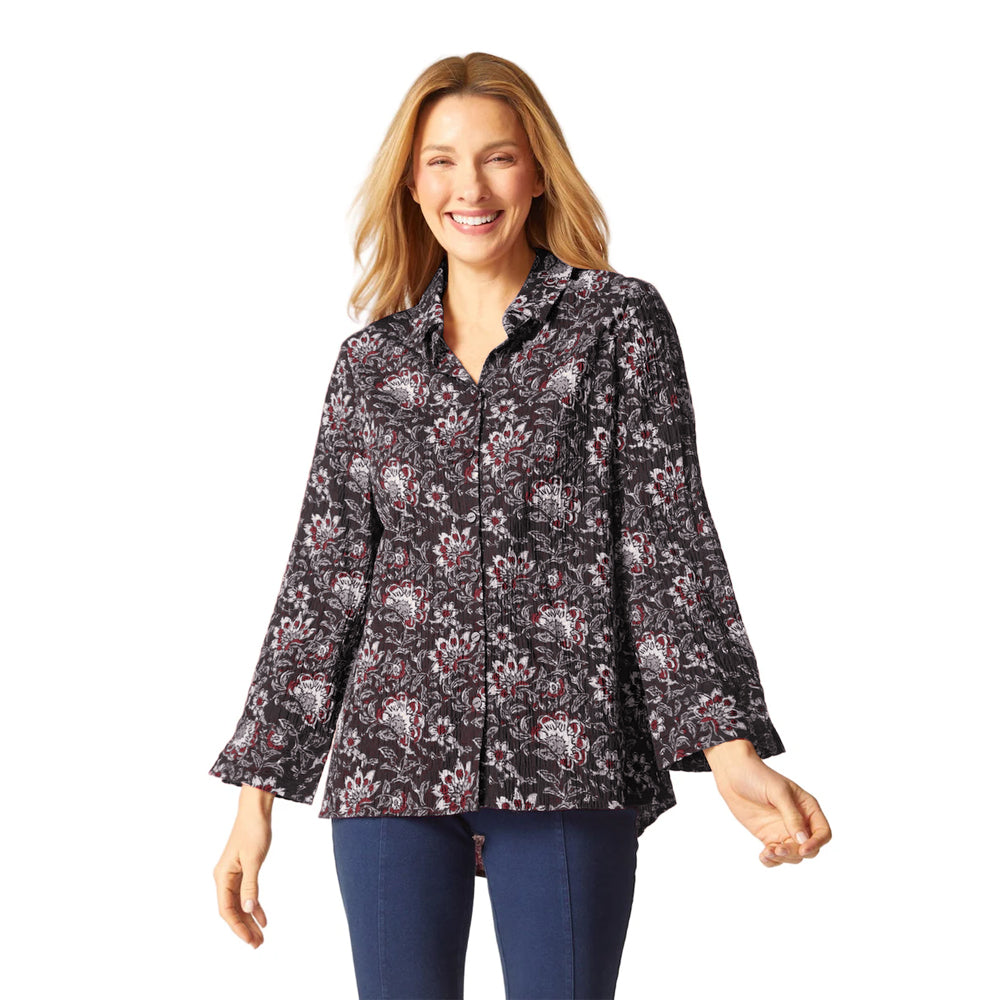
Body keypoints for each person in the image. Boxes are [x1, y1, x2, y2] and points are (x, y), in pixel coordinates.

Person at [210, 51, 832, 1000]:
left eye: (497, 158)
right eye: (442, 162)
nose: (470, 188)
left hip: (570, 754)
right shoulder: (370, 365)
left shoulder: (617, 324)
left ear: (538, 172)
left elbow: (665, 544)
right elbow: (323, 582)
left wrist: (731, 752)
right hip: (389, 768)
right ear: (412, 184)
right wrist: (255, 801)